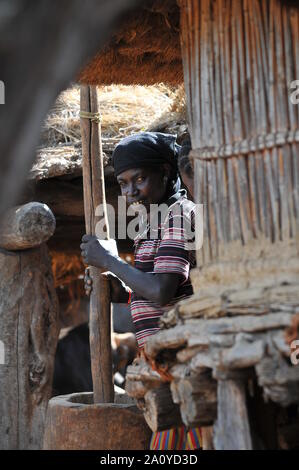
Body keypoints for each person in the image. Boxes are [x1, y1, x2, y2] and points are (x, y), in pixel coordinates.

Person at [81, 131, 201, 450]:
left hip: (183, 367)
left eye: (140, 179)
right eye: (123, 183)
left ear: (165, 171)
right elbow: (146, 290)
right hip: (161, 370)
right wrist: (111, 283)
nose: (131, 191)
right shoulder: (151, 224)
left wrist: (110, 260)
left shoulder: (179, 214)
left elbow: (162, 290)